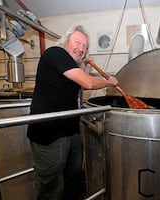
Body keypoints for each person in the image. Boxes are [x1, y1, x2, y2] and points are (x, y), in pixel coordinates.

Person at [27, 25, 118, 200]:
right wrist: (110, 82)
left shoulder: (68, 67)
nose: (81, 49)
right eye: (77, 42)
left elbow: (77, 94)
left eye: (85, 47)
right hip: (49, 136)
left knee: (72, 182)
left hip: (70, 132)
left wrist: (86, 71)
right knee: (51, 188)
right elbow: (88, 84)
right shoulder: (55, 53)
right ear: (65, 42)